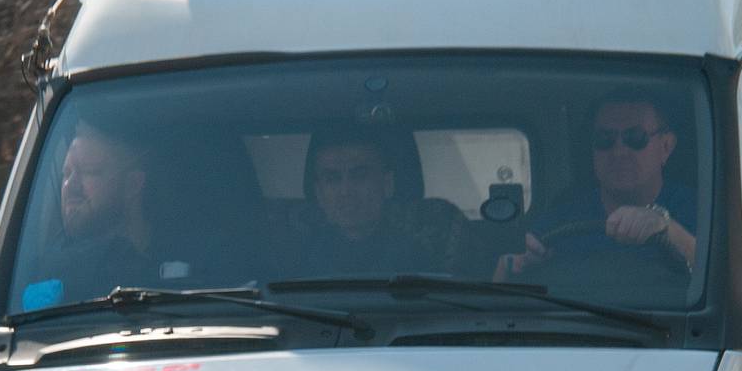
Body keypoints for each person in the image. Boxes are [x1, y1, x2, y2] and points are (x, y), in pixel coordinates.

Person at [499, 93, 696, 278]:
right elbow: (505, 298)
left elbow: (722, 281)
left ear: (666, 146)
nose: (619, 152)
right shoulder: (561, 220)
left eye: (635, 138)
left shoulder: (703, 212)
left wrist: (668, 231)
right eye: (605, 139)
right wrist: (510, 266)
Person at [287, 125, 466, 277]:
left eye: (359, 175)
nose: (345, 191)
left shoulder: (426, 251)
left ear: (387, 184)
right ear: (318, 192)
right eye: (332, 179)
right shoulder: (292, 257)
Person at [18, 123, 153, 309]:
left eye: (90, 172)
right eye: (66, 174)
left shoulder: (185, 265)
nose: (70, 186)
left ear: (132, 184)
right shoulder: (42, 273)